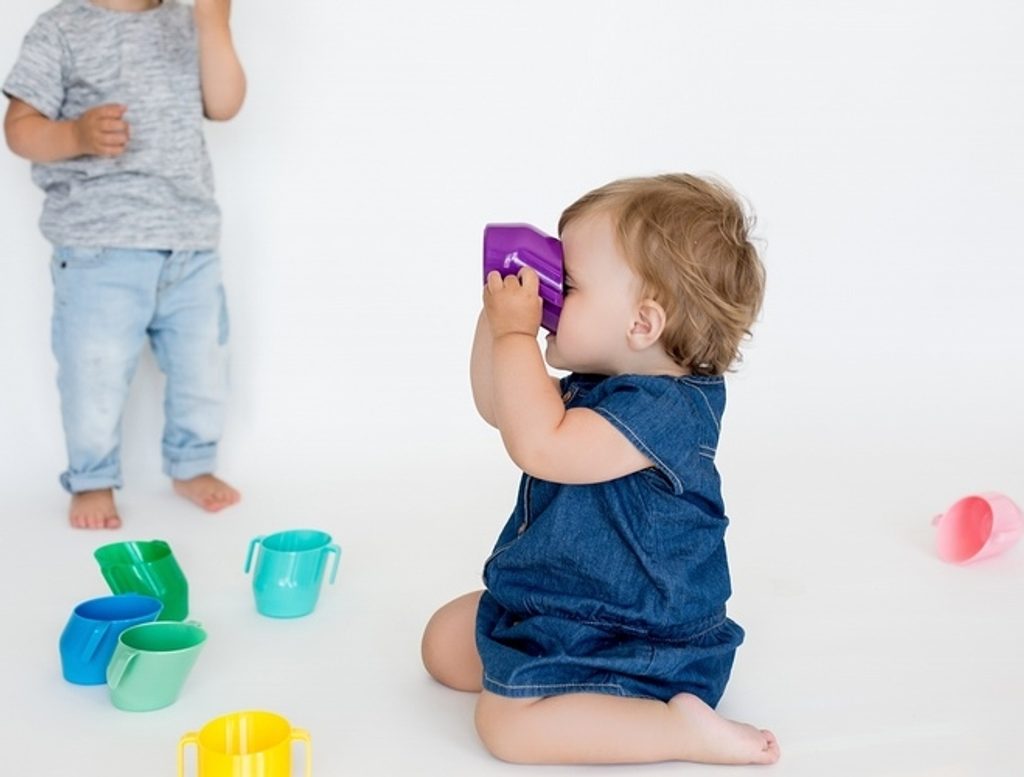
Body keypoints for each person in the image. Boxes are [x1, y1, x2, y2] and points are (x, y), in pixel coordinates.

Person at [421, 174, 780, 765]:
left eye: (568, 285)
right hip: (562, 605)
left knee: (504, 728)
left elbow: (541, 446)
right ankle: (559, 688)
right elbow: (501, 408)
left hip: (637, 637)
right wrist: (497, 323)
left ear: (642, 324)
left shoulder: (666, 410)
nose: (551, 294)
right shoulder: (601, 385)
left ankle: (679, 729)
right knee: (443, 645)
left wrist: (517, 334)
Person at [3, 0, 246, 529]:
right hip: (99, 249)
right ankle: (92, 477)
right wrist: (74, 135)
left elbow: (225, 104)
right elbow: (19, 129)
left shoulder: (188, 19)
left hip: (190, 242)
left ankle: (192, 462)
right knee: (94, 373)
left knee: (203, 367)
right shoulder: (61, 28)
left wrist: (214, 23)